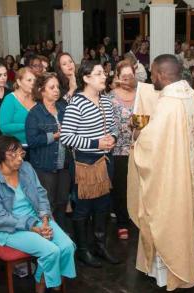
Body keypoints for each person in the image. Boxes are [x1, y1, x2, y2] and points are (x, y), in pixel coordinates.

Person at [127, 54, 194, 290]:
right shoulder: (188, 94)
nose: (151, 77)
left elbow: (152, 142)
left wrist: (138, 134)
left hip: (169, 176)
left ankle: (169, 273)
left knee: (163, 218)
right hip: (184, 170)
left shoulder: (169, 103)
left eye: (152, 73)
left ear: (161, 74)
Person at [0, 135, 76, 292]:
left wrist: (45, 220)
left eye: (21, 153)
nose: (19, 159)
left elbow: (40, 194)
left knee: (67, 246)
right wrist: (33, 227)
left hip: (36, 220)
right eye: (14, 154)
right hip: (9, 227)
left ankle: (45, 279)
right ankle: (43, 285)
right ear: (0, 155)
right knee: (51, 251)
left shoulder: (26, 168)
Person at [60, 61, 119, 268]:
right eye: (98, 74)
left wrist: (112, 137)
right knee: (83, 208)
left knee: (103, 206)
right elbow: (66, 137)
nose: (104, 76)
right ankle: (83, 250)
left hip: (105, 161)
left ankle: (100, 246)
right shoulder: (77, 103)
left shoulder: (106, 101)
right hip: (85, 164)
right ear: (86, 78)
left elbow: (113, 126)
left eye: (104, 73)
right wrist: (96, 143)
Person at [26, 72, 71, 230]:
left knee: (62, 202)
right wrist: (55, 136)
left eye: (57, 87)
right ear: (41, 90)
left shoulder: (64, 107)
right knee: (48, 204)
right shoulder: (35, 114)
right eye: (51, 87)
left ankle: (62, 235)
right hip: (45, 167)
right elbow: (32, 141)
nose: (56, 90)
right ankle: (48, 235)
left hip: (64, 165)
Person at [108, 61, 136, 240]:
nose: (127, 80)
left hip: (138, 147)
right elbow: (108, 125)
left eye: (130, 77)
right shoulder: (110, 97)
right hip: (118, 149)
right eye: (123, 76)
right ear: (117, 77)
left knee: (138, 186)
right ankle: (122, 222)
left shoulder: (141, 95)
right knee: (120, 187)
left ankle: (135, 217)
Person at [0, 67, 36, 146]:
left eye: (34, 80)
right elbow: (4, 127)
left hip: (36, 144)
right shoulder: (10, 99)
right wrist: (27, 125)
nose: (33, 83)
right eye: (29, 80)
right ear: (19, 82)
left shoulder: (37, 98)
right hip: (16, 149)